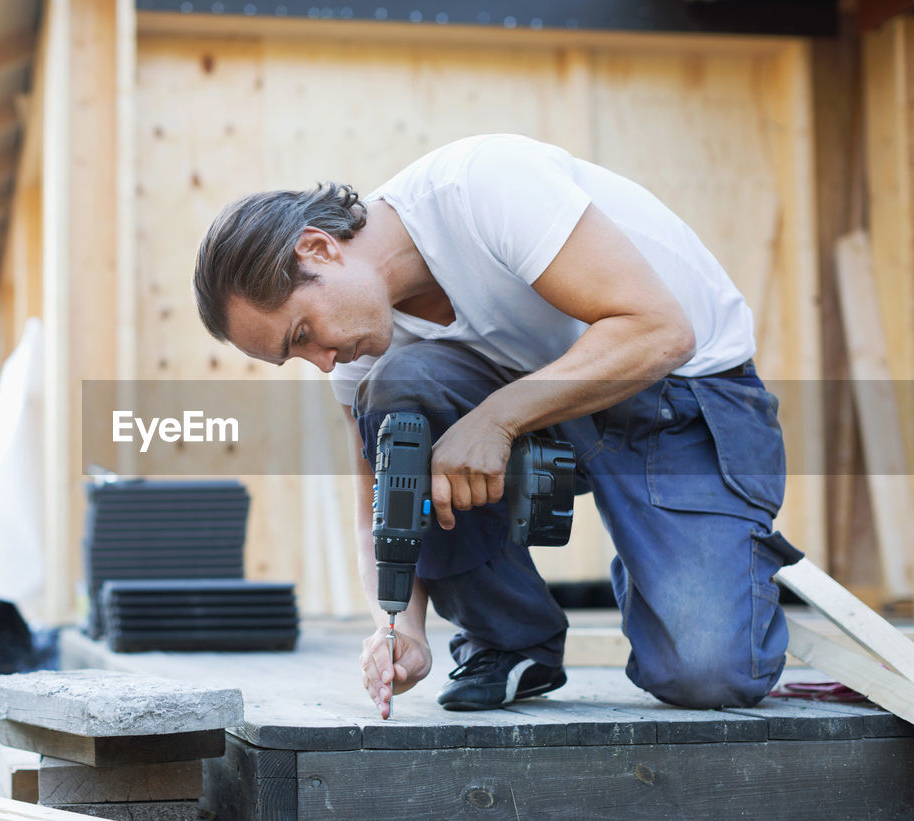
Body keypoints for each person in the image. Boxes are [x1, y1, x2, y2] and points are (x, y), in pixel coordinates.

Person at [191, 134, 802, 720]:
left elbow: (660, 331)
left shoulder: (482, 187)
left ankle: (671, 554)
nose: (322, 359)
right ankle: (508, 639)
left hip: (677, 398)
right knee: (403, 391)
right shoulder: (363, 359)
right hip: (550, 411)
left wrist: (497, 419)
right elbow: (378, 509)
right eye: (294, 356)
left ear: (319, 249)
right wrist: (397, 627)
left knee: (705, 673)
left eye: (302, 333)